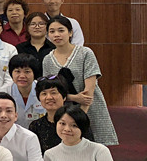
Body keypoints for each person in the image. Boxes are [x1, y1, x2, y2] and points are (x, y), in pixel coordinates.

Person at [43, 16, 117, 145]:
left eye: (61, 30)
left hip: (89, 107)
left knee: (94, 147)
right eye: (52, 31)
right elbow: (49, 90)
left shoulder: (85, 53)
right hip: (62, 110)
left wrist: (79, 117)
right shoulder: (47, 60)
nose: (56, 35)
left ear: (70, 32)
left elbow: (89, 92)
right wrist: (74, 98)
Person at [29, 76, 67, 154]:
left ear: (64, 97)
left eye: (53, 93)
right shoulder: (35, 126)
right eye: (44, 94)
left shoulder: (76, 121)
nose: (49, 97)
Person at [7, 54, 46, 127]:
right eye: (17, 71)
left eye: (27, 72)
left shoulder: (44, 90)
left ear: (34, 73)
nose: (22, 76)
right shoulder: (5, 91)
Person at [16, 11, 54, 79]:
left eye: (41, 24)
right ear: (27, 27)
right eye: (33, 24)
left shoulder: (54, 48)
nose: (37, 27)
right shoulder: (19, 48)